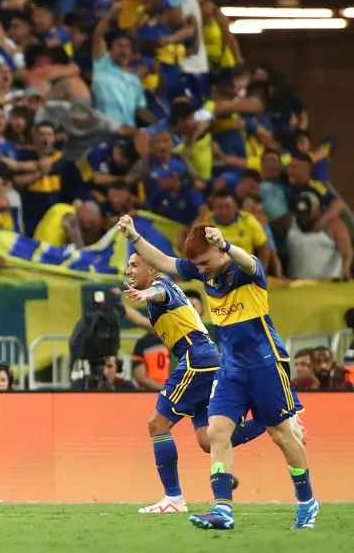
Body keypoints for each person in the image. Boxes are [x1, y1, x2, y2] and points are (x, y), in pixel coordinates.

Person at [118, 216, 316, 530]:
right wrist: (134, 235)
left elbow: (248, 261)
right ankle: (222, 510)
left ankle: (307, 501)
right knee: (214, 435)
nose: (202, 269)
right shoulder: (200, 269)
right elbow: (165, 261)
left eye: (207, 262)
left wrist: (225, 244)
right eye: (197, 265)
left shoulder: (245, 271)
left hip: (265, 363)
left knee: (282, 436)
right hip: (229, 368)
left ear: (220, 252)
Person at [121, 251, 267, 515]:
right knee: (208, 440)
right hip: (208, 360)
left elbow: (159, 293)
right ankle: (272, 418)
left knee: (157, 425)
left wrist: (147, 295)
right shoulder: (165, 288)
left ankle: (173, 499)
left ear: (152, 269)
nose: (128, 270)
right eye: (128, 265)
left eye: (134, 265)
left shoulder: (161, 286)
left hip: (195, 359)